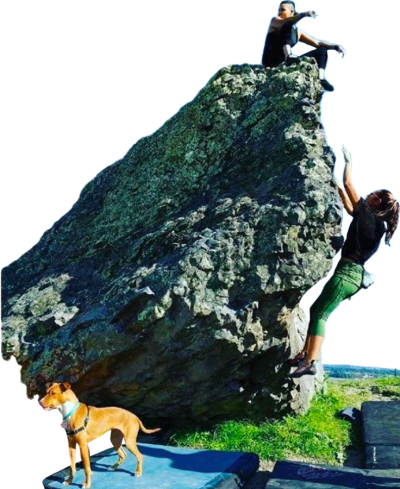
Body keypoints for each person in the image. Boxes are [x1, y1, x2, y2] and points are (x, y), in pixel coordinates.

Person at [288, 145, 399, 377]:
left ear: (378, 204)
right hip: (352, 275)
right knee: (316, 308)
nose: (370, 194)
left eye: (375, 195)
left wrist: (348, 162)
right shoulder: (372, 222)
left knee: (320, 314)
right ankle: (304, 355)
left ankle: (309, 361)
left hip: (346, 274)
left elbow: (349, 186)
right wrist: (331, 177)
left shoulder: (371, 219)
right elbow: (347, 201)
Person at [260, 1, 347, 92]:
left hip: (286, 64)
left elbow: (317, 43)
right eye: (278, 10)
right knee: (288, 24)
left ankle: (321, 79)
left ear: (291, 12)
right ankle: (288, 55)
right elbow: (286, 22)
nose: (279, 12)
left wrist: (335, 47)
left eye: (282, 10)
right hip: (271, 62)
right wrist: (304, 14)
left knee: (322, 50)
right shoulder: (275, 21)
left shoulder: (297, 32)